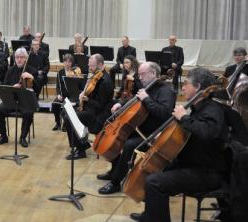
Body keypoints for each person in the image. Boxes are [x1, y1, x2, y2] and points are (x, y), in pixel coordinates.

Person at [132, 68, 228, 222]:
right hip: (191, 163)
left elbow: (206, 132)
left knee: (154, 182)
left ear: (197, 87)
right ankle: (150, 216)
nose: (182, 87)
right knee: (151, 171)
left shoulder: (213, 109)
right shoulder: (197, 108)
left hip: (206, 172)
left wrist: (184, 117)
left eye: (186, 84)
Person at [97, 62, 176, 195]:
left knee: (128, 145)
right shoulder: (147, 87)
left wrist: (146, 99)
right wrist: (120, 104)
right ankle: (114, 171)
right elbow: (133, 99)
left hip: (154, 133)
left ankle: (116, 182)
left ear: (153, 74)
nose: (139, 78)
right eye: (139, 74)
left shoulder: (166, 91)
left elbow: (165, 113)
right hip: (138, 127)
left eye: (142, 74)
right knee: (114, 140)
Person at [64, 54, 113, 160]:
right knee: (65, 113)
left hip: (99, 116)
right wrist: (82, 97)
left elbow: (100, 106)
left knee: (69, 118)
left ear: (100, 65)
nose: (90, 68)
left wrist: (87, 100)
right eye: (89, 66)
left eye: (92, 66)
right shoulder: (95, 76)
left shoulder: (105, 81)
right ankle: (82, 143)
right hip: (91, 109)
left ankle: (81, 149)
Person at [0, 47, 38, 148]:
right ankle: (3, 136)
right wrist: (13, 87)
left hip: (25, 102)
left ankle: (23, 137)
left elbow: (37, 89)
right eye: (17, 57)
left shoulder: (32, 71)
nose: (19, 59)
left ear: (26, 58)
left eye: (21, 57)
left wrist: (32, 78)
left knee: (28, 113)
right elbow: (5, 85)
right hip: (12, 100)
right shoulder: (10, 70)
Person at [51, 54, 82, 131]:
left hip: (71, 96)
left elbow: (78, 86)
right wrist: (58, 94)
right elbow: (58, 86)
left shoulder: (75, 72)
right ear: (63, 62)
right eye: (65, 61)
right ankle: (58, 123)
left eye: (69, 62)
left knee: (67, 105)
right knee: (54, 105)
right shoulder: (60, 72)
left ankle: (65, 123)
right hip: (62, 95)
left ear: (71, 63)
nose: (67, 64)